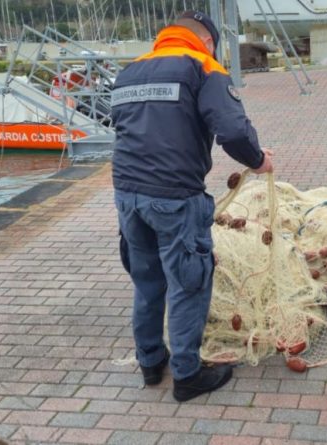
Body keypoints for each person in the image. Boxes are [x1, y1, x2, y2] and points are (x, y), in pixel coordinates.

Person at [110, 10, 274, 402]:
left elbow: (121, 126)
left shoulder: (129, 71)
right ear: (208, 41)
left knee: (147, 281)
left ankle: (151, 362)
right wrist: (258, 161)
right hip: (174, 197)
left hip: (127, 194)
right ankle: (187, 374)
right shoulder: (203, 65)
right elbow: (232, 130)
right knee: (188, 282)